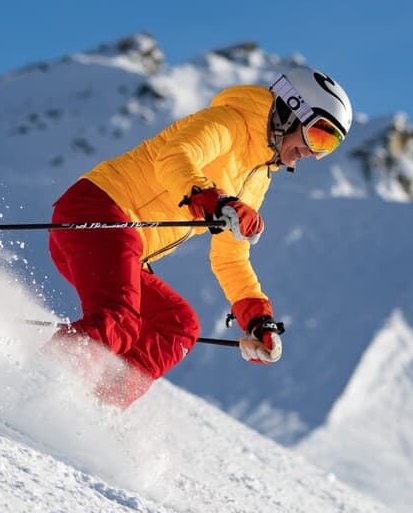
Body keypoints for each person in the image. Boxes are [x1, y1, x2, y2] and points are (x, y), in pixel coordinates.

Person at [46, 67, 354, 407]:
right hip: (100, 210)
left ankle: (96, 407)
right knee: (118, 321)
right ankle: (39, 381)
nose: (314, 153)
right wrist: (213, 199)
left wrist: (255, 317)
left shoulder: (258, 175)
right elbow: (175, 156)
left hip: (125, 246)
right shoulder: (230, 122)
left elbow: (230, 256)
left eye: (329, 146)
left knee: (177, 325)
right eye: (317, 136)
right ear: (291, 110)